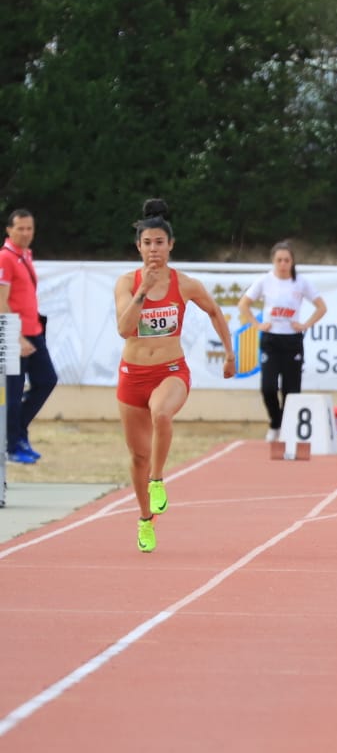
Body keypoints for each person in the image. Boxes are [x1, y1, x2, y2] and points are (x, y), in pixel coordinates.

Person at [113, 200, 236, 553]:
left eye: (160, 243)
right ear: (139, 247)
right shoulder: (125, 283)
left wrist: (229, 353)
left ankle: (157, 479)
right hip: (132, 375)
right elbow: (124, 330)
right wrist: (141, 292)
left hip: (170, 371)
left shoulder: (185, 284)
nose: (154, 249)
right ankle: (145, 518)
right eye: (147, 243)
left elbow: (215, 311)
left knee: (162, 413)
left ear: (171, 245)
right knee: (137, 455)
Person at [237, 241, 327, 443]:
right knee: (268, 387)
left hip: (292, 341)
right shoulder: (265, 280)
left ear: (292, 261)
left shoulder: (301, 282)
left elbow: (321, 307)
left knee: (291, 390)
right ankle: (275, 423)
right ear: (273, 261)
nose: (283, 264)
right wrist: (257, 324)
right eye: (279, 260)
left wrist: (305, 324)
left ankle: (287, 428)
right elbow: (244, 304)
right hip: (271, 339)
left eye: (287, 260)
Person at [0, 209, 58, 464]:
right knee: (12, 391)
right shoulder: (5, 258)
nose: (26, 233)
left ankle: (17, 432)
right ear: (9, 230)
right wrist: (16, 337)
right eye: (20, 228)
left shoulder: (24, 255)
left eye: (29, 228)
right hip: (17, 335)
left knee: (46, 380)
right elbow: (1, 301)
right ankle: (12, 444)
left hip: (34, 331)